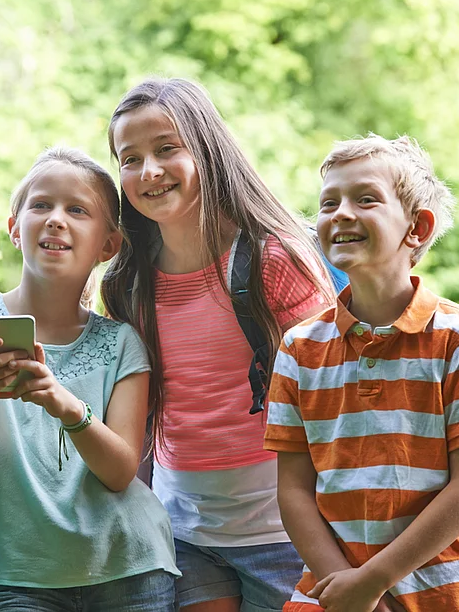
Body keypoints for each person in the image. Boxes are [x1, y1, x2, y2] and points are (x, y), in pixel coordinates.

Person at [101, 78, 335, 612]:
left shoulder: (272, 260)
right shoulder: (128, 282)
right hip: (184, 534)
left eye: (166, 149)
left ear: (206, 148)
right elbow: (139, 413)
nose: (148, 172)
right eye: (129, 158)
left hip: (285, 532)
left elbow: (332, 398)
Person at [264, 134, 459, 612]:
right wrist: (347, 587)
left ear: (416, 228)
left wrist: (374, 579)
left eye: (366, 199)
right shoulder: (298, 348)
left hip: (445, 594)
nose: (340, 213)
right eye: (328, 202)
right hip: (333, 592)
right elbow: (293, 489)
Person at [0, 147, 181, 611]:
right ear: (14, 227)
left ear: (108, 245)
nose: (55, 219)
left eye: (77, 210)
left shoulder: (122, 343)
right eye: (41, 205)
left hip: (131, 568)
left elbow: (120, 471)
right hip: (25, 578)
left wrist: (66, 405)